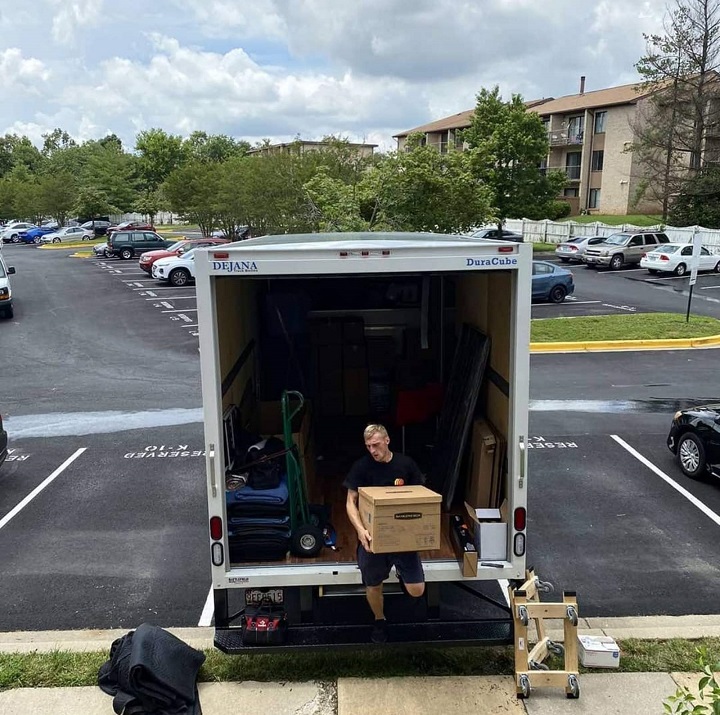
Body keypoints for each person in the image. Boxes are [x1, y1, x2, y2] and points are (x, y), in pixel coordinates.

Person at [344, 423, 426, 643]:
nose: (372, 450)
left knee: (417, 590)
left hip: (402, 537)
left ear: (387, 440)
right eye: (368, 446)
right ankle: (379, 620)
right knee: (373, 585)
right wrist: (360, 531)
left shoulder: (405, 465)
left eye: (376, 445)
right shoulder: (361, 467)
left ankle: (401, 573)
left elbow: (422, 497)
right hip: (372, 539)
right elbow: (350, 502)